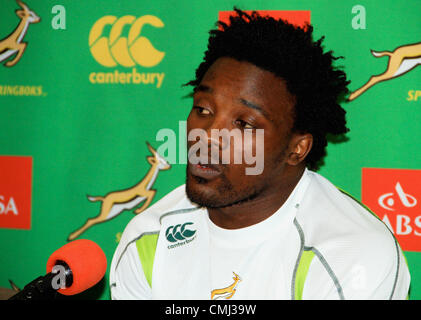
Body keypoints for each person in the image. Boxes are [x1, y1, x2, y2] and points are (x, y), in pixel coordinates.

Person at [110, 9, 410, 300]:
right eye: (203, 109)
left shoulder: (353, 256)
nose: (208, 137)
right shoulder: (149, 237)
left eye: (244, 124)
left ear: (297, 148)